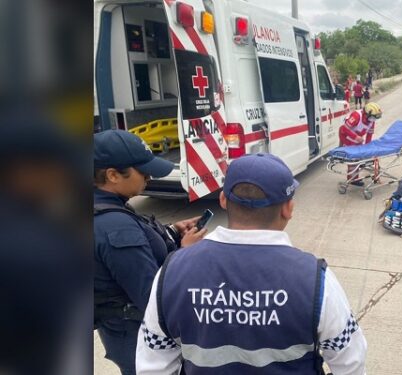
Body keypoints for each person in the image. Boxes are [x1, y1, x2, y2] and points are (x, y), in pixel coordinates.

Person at [135, 153, 367, 374]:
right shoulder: (316, 280)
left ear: (224, 200)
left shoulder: (172, 271)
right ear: (288, 208)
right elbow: (350, 360)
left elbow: (154, 361)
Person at [94, 130, 206, 375]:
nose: (149, 175)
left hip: (121, 331)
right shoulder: (116, 228)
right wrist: (185, 253)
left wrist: (171, 233)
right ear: (112, 175)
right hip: (138, 340)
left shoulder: (104, 206)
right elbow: (153, 299)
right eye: (142, 170)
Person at [338, 102, 383, 185]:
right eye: (373, 117)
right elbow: (344, 129)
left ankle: (357, 174)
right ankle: (352, 179)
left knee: (362, 154)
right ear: (366, 114)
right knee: (354, 157)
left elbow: (369, 136)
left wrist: (367, 149)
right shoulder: (356, 116)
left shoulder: (371, 121)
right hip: (345, 135)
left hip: (356, 138)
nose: (374, 120)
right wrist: (355, 137)